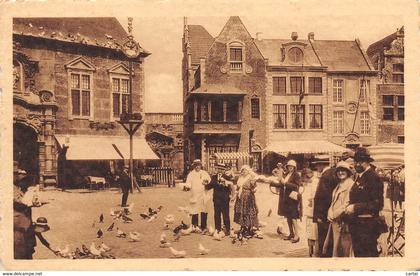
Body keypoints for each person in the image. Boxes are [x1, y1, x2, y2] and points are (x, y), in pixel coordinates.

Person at [345, 147, 384, 257]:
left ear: (367, 162)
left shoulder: (373, 177)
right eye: (355, 161)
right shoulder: (359, 177)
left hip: (368, 226)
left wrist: (355, 207)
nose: (357, 164)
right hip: (357, 226)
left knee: (368, 258)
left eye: (360, 161)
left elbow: (377, 204)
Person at [324, 161, 354, 257]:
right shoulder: (339, 184)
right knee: (336, 246)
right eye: (339, 171)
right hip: (335, 220)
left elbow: (347, 203)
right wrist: (329, 212)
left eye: (343, 170)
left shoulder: (351, 184)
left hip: (344, 219)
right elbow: (333, 202)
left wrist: (334, 214)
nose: (340, 173)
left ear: (348, 172)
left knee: (344, 247)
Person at [270, 159, 302, 243]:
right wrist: (272, 183)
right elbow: (282, 184)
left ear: (294, 167)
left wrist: (285, 183)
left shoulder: (296, 175)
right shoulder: (287, 174)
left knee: (294, 218)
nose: (290, 167)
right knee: (288, 217)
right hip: (286, 198)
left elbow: (296, 186)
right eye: (288, 166)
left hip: (292, 198)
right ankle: (291, 233)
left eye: (291, 166)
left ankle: (297, 235)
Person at [205, 163, 234, 236]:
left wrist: (226, 183)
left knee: (226, 215)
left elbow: (231, 187)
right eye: (218, 169)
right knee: (217, 215)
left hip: (225, 199)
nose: (220, 171)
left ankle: (227, 229)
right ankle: (217, 229)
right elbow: (210, 186)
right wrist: (205, 185)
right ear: (216, 169)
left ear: (224, 170)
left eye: (221, 169)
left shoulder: (228, 177)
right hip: (216, 199)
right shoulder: (214, 177)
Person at [185, 159, 211, 233]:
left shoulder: (205, 173)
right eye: (196, 165)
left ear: (200, 166)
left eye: (198, 165)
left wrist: (206, 183)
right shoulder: (191, 174)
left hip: (203, 194)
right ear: (194, 166)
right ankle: (194, 226)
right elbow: (188, 183)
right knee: (194, 210)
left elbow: (209, 181)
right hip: (195, 194)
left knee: (204, 209)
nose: (197, 167)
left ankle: (203, 226)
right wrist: (187, 186)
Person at [233, 165, 259, 238]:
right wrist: (235, 195)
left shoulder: (250, 178)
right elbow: (237, 188)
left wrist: (254, 189)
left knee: (248, 212)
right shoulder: (240, 178)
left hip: (248, 197)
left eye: (245, 170)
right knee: (241, 212)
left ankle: (248, 228)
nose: (244, 172)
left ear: (248, 171)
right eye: (243, 170)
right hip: (240, 197)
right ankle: (243, 227)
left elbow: (254, 187)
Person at [300, 168, 319, 257]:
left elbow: (315, 197)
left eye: (305, 179)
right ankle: (310, 250)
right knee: (309, 231)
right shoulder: (311, 183)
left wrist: (311, 201)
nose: (305, 181)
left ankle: (313, 251)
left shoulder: (315, 182)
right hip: (309, 212)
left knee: (313, 232)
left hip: (313, 212)